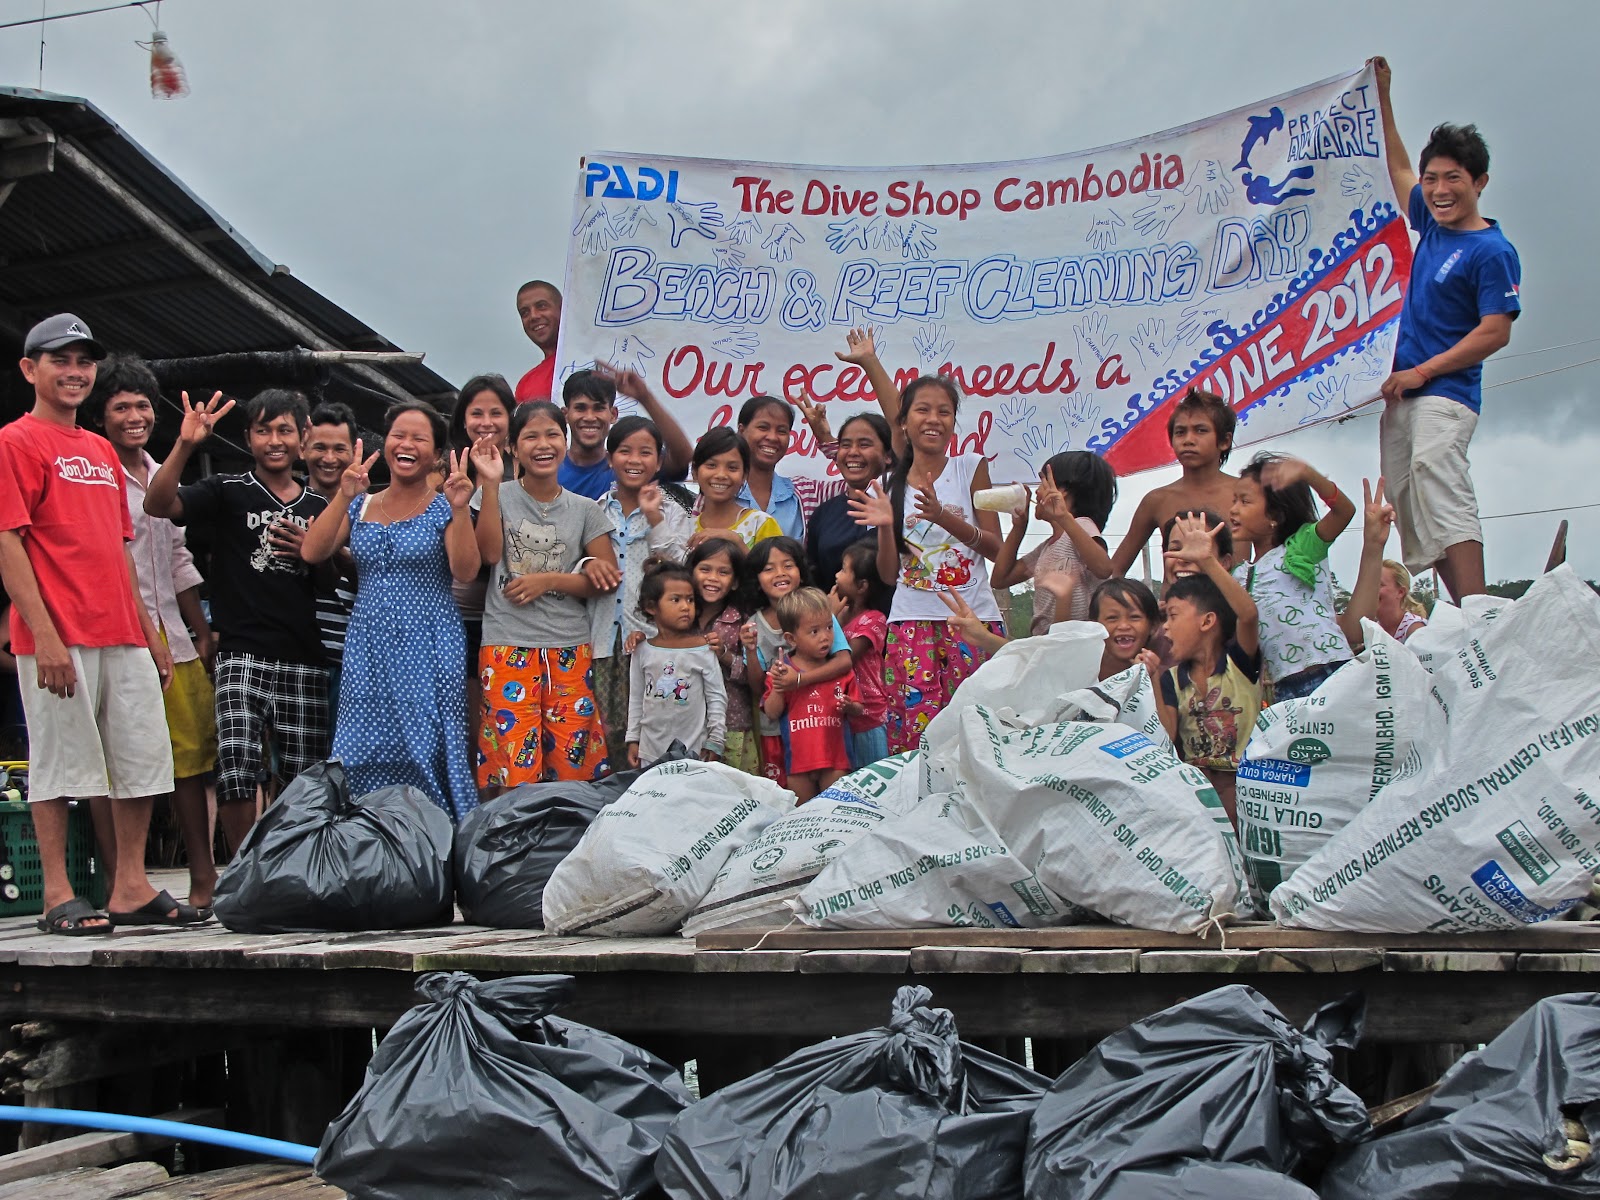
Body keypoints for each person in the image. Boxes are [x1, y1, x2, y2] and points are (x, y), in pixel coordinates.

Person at [0, 313, 203, 933]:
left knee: (142, 757)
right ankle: (57, 893)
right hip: (58, 636)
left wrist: (152, 636)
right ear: (30, 370)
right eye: (59, 360)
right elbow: (8, 542)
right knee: (62, 763)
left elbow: (122, 551)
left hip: (123, 631)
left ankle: (131, 886)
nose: (74, 372)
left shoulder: (97, 450)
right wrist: (46, 636)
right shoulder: (16, 440)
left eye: (83, 362)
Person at [144, 387, 329, 851]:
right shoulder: (227, 490)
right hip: (241, 654)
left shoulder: (319, 509)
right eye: (263, 430)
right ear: (248, 438)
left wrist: (317, 550)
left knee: (303, 774)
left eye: (284, 430)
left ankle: (291, 867)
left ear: (303, 437)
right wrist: (186, 444)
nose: (274, 440)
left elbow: (344, 570)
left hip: (303, 655)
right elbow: (157, 504)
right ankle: (244, 871)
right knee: (236, 766)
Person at [1372, 56, 1520, 603]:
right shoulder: (1431, 227)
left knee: (1439, 477)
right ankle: (1460, 615)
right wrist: (1382, 96)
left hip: (1445, 392)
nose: (1438, 189)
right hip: (1403, 393)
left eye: (1452, 178)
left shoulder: (1491, 250)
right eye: (1434, 179)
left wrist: (1423, 371)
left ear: (1478, 182)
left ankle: (1479, 611)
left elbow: (1495, 331)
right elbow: (1399, 169)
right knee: (1412, 502)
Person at [300, 403, 482, 821]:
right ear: (386, 444)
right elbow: (313, 551)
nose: (407, 445)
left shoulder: (444, 507)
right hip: (368, 644)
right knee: (360, 745)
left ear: (436, 454)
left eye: (420, 439)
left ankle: (436, 848)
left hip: (430, 642)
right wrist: (343, 495)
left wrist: (458, 507)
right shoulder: (360, 504)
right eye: (399, 435)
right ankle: (369, 844)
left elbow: (467, 571)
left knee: (426, 746)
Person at [90, 355, 220, 911]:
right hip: (118, 632)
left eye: (142, 405)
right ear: (102, 416)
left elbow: (176, 557)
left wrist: (200, 628)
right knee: (115, 761)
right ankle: (122, 879)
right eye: (121, 406)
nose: (134, 415)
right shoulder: (94, 468)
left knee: (193, 759)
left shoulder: (157, 469)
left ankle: (202, 878)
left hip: (175, 634)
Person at [849, 370, 1005, 754]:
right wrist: (886, 528)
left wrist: (943, 516)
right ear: (903, 422)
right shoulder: (890, 484)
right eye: (922, 410)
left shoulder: (971, 467)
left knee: (977, 729)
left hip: (973, 620)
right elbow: (888, 574)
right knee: (916, 737)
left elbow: (999, 550)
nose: (933, 419)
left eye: (944, 412)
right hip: (911, 623)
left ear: (954, 422)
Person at [472, 402, 614, 792]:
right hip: (506, 643)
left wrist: (548, 580)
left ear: (564, 444)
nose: (542, 444)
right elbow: (488, 554)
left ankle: (563, 846)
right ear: (513, 449)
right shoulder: (495, 495)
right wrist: (487, 484)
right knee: (513, 769)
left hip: (569, 645)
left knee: (572, 768)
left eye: (552, 434)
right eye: (530, 437)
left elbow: (605, 578)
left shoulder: (586, 509)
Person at [584, 416, 693, 767]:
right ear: (610, 457)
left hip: (651, 642)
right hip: (600, 640)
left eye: (645, 453)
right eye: (625, 451)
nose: (635, 460)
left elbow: (683, 569)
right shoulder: (595, 510)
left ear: (658, 462)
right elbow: (577, 561)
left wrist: (654, 518)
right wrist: (586, 564)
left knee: (651, 736)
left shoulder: (675, 512)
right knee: (603, 735)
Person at [1156, 513, 1263, 828]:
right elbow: (1168, 734)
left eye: (1174, 616)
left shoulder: (1239, 664)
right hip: (1197, 793)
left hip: (1243, 787)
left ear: (1207, 621)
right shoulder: (1169, 677)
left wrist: (1206, 560)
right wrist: (1150, 677)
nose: (1167, 626)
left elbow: (1248, 614)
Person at [1230, 453, 1356, 702]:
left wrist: (1309, 474)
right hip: (1284, 687)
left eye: (1245, 501)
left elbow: (1344, 511)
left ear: (1275, 515)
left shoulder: (1302, 546)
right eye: (1233, 500)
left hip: (1331, 672)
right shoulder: (1239, 575)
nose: (1233, 509)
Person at [738, 536, 853, 786]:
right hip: (777, 732)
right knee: (789, 799)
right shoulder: (755, 625)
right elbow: (758, 688)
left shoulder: (819, 611)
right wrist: (749, 650)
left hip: (821, 726)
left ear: (801, 571)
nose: (780, 573)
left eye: (788, 565)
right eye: (769, 569)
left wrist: (799, 680)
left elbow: (844, 662)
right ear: (757, 579)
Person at [1110, 389, 1239, 585]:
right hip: (1173, 612)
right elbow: (1115, 570)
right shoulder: (1158, 500)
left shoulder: (1246, 495)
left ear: (1224, 441)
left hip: (1235, 613)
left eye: (1200, 430)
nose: (1188, 440)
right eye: (1180, 432)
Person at [992, 451, 1117, 632]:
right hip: (1049, 643)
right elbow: (999, 579)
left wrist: (1064, 517)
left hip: (1078, 642)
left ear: (1061, 492)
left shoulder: (1082, 527)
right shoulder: (1047, 547)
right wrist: (1019, 527)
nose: (1036, 491)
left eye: (1041, 483)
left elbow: (1103, 568)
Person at [762, 587, 861, 802]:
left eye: (829, 627)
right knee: (803, 818)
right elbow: (771, 712)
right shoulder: (783, 671)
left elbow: (858, 708)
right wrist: (779, 687)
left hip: (836, 761)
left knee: (835, 812)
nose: (825, 637)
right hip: (798, 765)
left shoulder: (839, 671)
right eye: (814, 631)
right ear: (791, 638)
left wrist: (850, 706)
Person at [628, 561, 726, 765]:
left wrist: (716, 740)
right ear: (651, 607)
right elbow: (636, 698)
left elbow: (717, 697)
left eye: (690, 600)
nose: (685, 607)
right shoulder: (642, 650)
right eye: (675, 599)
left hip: (693, 752)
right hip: (650, 751)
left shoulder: (703, 649)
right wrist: (633, 739)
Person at [303, 402, 359, 734]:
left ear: (354, 451)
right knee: (297, 771)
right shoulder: (286, 503)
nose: (329, 458)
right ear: (302, 448)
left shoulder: (371, 510)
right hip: (298, 656)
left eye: (339, 448)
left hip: (351, 659)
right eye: (319, 447)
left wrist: (328, 548)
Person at [557, 365, 693, 501]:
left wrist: (645, 397)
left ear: (613, 414)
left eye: (599, 408)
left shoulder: (629, 466)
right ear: (565, 414)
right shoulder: (549, 470)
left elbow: (683, 456)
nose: (590, 417)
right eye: (580, 408)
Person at [804, 411, 895, 603]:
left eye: (864, 444)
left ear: (887, 456)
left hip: (897, 627)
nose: (853, 452)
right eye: (845, 445)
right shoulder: (823, 514)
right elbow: (813, 580)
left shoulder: (905, 506)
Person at [689, 537, 759, 776]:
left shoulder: (743, 621)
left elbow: (754, 677)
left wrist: (724, 655)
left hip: (733, 723)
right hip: (688, 726)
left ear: (736, 582)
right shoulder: (679, 616)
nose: (712, 578)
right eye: (705, 569)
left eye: (723, 572)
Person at [830, 539, 892, 768]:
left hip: (869, 716)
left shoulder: (874, 619)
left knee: (873, 777)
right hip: (842, 714)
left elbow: (846, 658)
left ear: (862, 585)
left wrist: (830, 618)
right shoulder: (841, 613)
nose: (837, 575)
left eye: (844, 570)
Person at [690, 428, 782, 549]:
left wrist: (737, 542)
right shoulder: (684, 528)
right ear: (695, 472)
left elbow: (776, 567)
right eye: (711, 465)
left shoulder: (760, 524)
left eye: (732, 468)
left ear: (744, 475)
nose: (721, 475)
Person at [735, 396, 805, 540]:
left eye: (782, 431)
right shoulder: (720, 490)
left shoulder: (803, 493)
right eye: (763, 427)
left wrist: (825, 437)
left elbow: (856, 482)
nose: (772, 437)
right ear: (741, 431)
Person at [1089, 578, 1162, 681]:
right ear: (1095, 626)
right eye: (1112, 618)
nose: (1123, 626)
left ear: (1153, 625)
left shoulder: (1151, 667)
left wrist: (1146, 677)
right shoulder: (1084, 669)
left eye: (1134, 617)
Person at [513, 280, 561, 403]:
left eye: (541, 306)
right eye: (525, 312)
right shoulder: (525, 384)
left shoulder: (597, 361)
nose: (533, 316)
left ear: (563, 308)